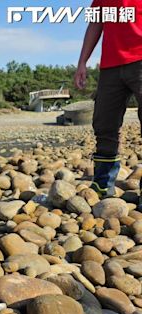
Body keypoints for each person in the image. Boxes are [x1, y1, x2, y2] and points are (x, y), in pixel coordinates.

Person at [74, 0, 142, 198]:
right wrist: (82, 62)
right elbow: (96, 23)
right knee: (104, 124)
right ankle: (103, 184)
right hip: (110, 65)